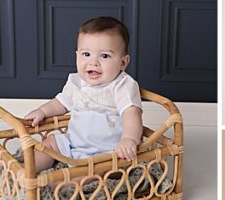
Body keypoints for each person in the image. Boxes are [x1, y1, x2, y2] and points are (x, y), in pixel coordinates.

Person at [24, 16, 143, 170]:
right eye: (86, 54)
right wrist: (42, 111)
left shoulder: (122, 85)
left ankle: (65, 187)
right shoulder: (76, 82)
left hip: (105, 152)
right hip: (73, 142)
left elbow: (131, 114)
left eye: (105, 56)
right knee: (49, 144)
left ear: (123, 63)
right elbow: (60, 103)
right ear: (77, 55)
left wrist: (129, 139)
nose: (93, 62)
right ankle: (27, 171)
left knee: (92, 173)